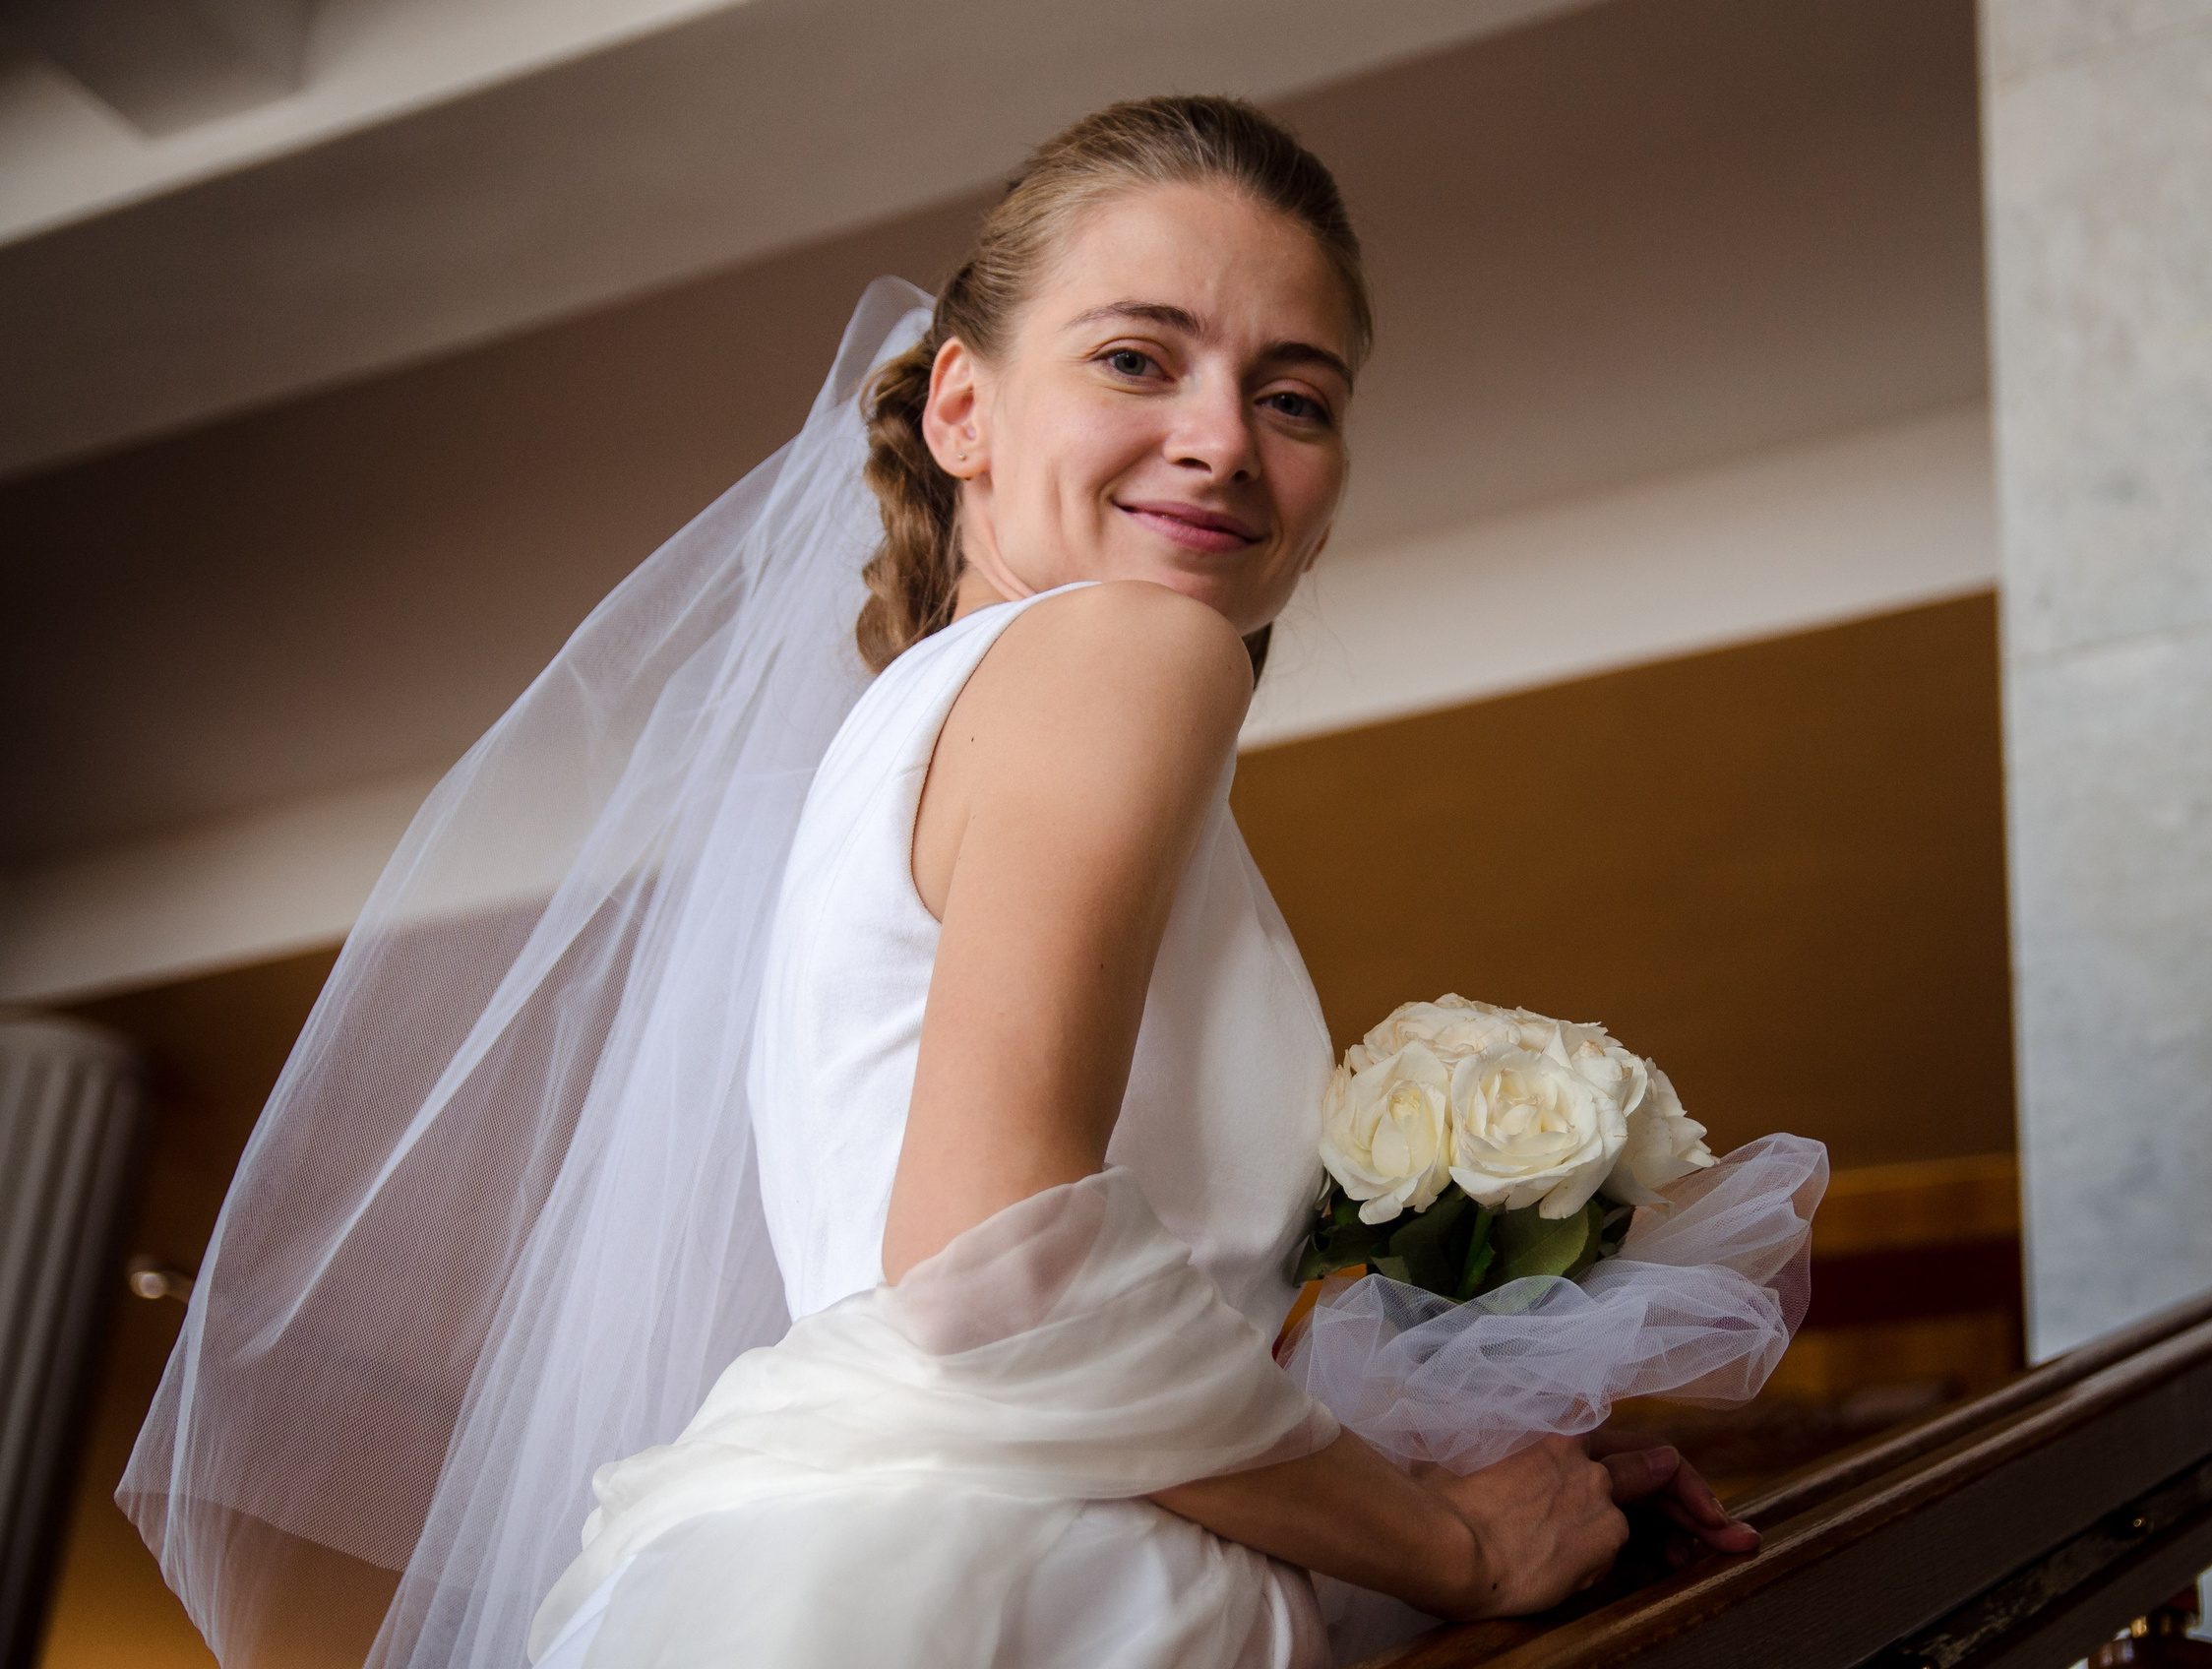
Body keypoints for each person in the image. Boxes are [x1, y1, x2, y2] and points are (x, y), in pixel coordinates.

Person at [120, 96, 1758, 1669]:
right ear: (960, 408)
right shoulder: (1134, 653)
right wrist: (1454, 1550)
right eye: (1137, 358)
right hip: (1016, 1586)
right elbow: (1000, 1261)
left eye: (1297, 397)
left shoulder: (916, 729)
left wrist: (1471, 1495)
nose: (1220, 440)